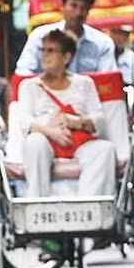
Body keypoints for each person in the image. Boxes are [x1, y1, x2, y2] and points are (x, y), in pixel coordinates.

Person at [16, 29, 115, 198]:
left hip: (78, 140)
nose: (44, 55)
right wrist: (51, 132)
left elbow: (100, 122)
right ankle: (38, 205)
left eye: (51, 50)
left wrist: (75, 121)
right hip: (44, 138)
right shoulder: (29, 85)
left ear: (67, 57)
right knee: (34, 142)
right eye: (43, 50)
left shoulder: (84, 83)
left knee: (105, 149)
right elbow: (24, 121)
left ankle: (88, 208)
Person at [15, 0, 117, 74]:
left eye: (84, 8)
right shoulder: (40, 36)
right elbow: (24, 72)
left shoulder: (103, 43)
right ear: (63, 6)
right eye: (73, 5)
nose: (78, 13)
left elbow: (107, 79)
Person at [107, 24, 134, 117]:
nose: (118, 37)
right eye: (115, 33)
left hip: (130, 100)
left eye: (121, 34)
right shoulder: (104, 57)